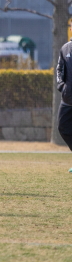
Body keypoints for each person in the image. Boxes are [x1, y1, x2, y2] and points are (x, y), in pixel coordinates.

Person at [54, 41, 72, 170]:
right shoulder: (65, 48)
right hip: (68, 98)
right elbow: (59, 68)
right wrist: (61, 86)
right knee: (63, 127)